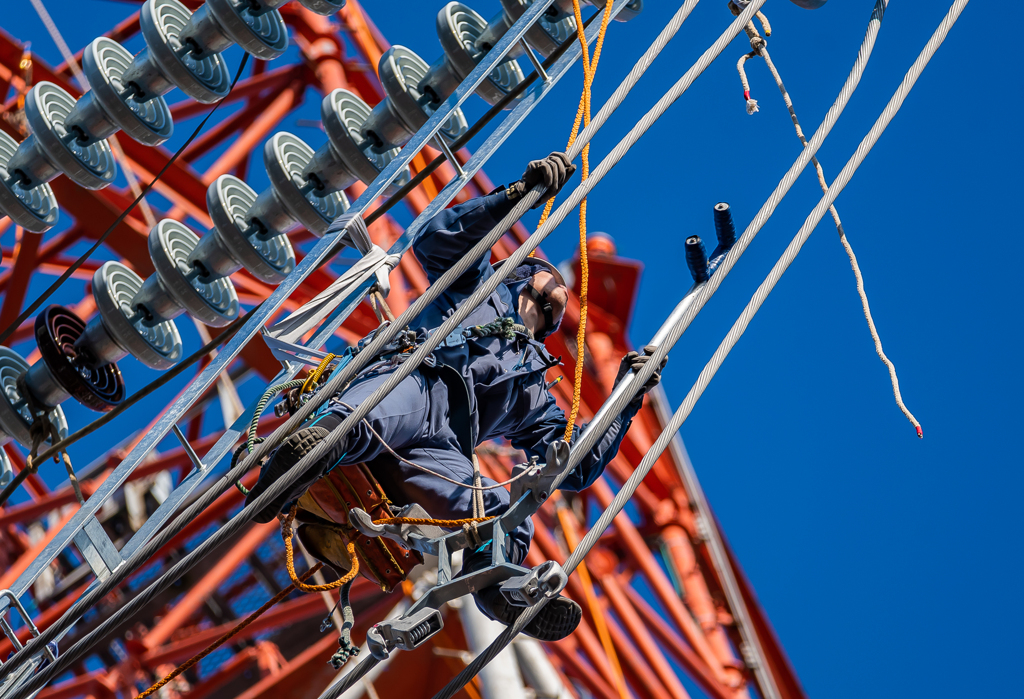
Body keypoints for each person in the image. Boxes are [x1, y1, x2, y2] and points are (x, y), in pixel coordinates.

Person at [245, 153, 666, 641]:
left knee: (505, 508)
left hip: (444, 446)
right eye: (549, 286)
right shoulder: (472, 288)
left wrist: (626, 398)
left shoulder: (532, 381)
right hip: (416, 376)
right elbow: (439, 240)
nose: (561, 298)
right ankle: (299, 462)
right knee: (375, 410)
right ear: (522, 274)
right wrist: (514, 197)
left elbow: (571, 462)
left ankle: (496, 586)